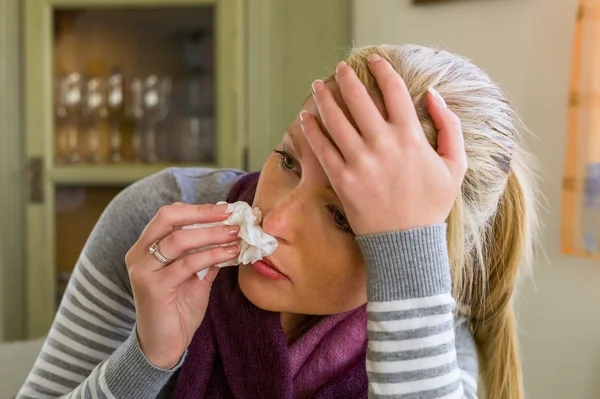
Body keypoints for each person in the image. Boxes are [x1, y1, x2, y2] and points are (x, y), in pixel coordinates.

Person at [17, 44, 539, 399]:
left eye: (341, 215)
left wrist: (407, 263)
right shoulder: (160, 224)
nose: (277, 219)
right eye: (288, 161)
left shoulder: (424, 314)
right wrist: (146, 360)